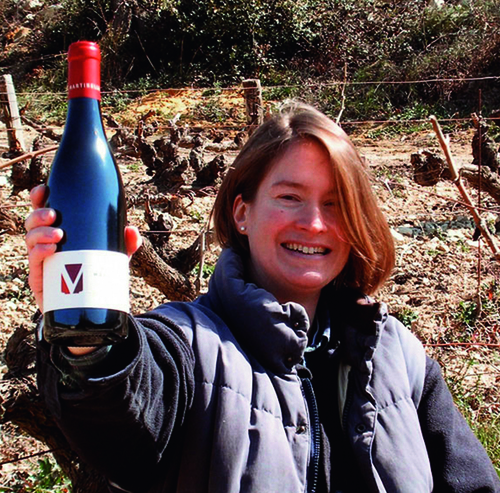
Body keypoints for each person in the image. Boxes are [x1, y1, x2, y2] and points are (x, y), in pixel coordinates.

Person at [25, 101, 500, 493]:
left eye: (335, 204)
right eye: (290, 197)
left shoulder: (398, 355)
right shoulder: (189, 346)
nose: (314, 223)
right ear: (242, 213)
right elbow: (119, 424)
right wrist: (85, 333)